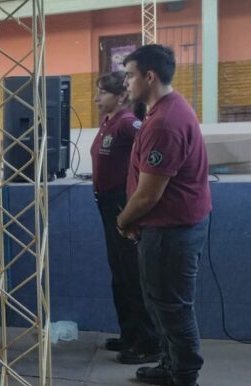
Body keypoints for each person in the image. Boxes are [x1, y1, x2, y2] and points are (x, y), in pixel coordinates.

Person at [118, 44, 212, 386]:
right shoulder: (164, 111)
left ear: (149, 77)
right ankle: (171, 366)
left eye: (129, 75)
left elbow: (149, 194)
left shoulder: (165, 123)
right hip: (168, 230)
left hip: (171, 232)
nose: (126, 83)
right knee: (161, 303)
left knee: (173, 309)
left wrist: (123, 220)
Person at [90, 71, 160, 364]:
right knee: (119, 274)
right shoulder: (109, 122)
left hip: (122, 203)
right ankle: (129, 334)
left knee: (131, 275)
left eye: (102, 93)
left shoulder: (128, 122)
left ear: (120, 96)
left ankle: (147, 343)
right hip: (106, 204)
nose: (96, 98)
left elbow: (150, 148)